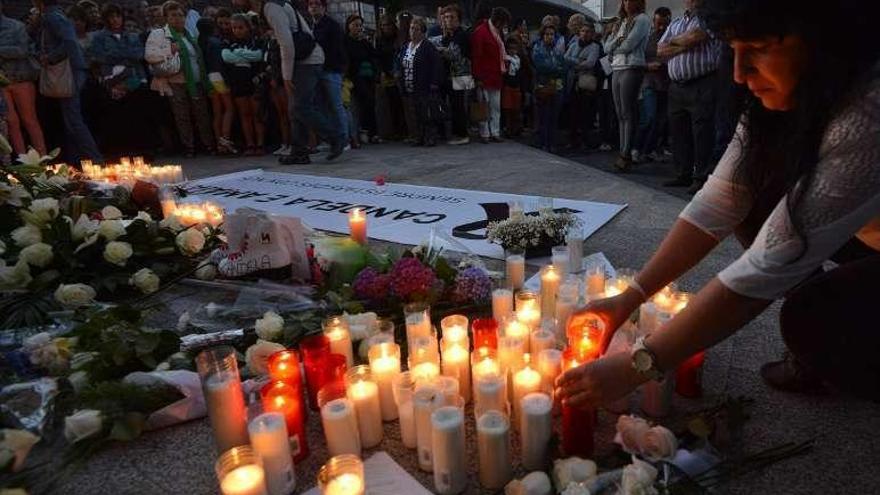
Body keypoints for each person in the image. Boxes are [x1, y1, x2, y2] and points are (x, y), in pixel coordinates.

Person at [556, 0, 880, 411]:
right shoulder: (786, 94)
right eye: (733, 49)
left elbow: (768, 266)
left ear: (827, 42)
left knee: (810, 320)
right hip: (859, 225)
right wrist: (629, 298)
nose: (740, 73)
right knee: (755, 203)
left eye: (760, 48)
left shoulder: (868, 108)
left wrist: (638, 365)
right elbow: (719, 202)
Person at [260, 0, 343, 165]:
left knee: (300, 106)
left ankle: (334, 137)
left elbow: (286, 44)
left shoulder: (272, 7)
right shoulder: (281, 4)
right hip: (307, 59)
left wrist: (286, 75)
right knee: (295, 108)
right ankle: (299, 151)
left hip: (307, 61)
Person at [658, 0, 722, 194]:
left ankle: (701, 177)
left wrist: (678, 42)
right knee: (679, 132)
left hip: (702, 82)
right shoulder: (676, 22)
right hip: (677, 86)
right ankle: (682, 173)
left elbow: (696, 36)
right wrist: (684, 43)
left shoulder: (709, 18)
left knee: (702, 132)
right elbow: (660, 50)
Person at [33, 0, 103, 163]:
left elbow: (69, 42)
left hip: (69, 71)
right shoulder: (55, 16)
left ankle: (94, 159)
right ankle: (80, 159)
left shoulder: (52, 17)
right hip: (72, 70)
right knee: (71, 119)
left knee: (73, 120)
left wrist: (50, 58)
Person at [145, 0, 214, 158]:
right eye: (173, 15)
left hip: (196, 81)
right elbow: (150, 55)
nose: (178, 18)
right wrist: (169, 50)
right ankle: (189, 147)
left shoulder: (189, 33)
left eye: (181, 15)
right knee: (182, 116)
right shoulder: (159, 34)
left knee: (202, 114)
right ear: (166, 18)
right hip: (176, 81)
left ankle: (207, 144)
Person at [89, 3, 156, 157]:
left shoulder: (132, 36)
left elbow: (139, 54)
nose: (115, 20)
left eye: (117, 16)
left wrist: (118, 56)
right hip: (113, 81)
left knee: (138, 117)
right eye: (111, 17)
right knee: (117, 118)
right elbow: (99, 57)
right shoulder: (99, 37)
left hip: (135, 80)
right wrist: (125, 57)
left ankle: (141, 151)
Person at [604, 0, 650, 172]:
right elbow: (606, 46)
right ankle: (623, 152)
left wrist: (616, 45)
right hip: (617, 67)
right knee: (620, 113)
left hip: (632, 66)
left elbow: (630, 45)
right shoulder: (620, 22)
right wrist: (617, 44)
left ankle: (626, 154)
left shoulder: (642, 19)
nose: (627, 3)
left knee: (628, 112)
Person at [0, 2, 46, 155]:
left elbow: (23, 50)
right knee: (11, 123)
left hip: (20, 78)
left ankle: (42, 162)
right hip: (2, 81)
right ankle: (22, 163)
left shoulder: (16, 26)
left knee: (29, 120)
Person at [222, 13, 265, 156]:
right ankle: (250, 144)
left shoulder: (256, 41)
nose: (237, 30)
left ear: (247, 27)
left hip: (253, 81)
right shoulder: (228, 41)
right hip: (237, 83)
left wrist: (238, 55)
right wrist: (245, 55)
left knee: (257, 114)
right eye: (234, 28)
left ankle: (260, 144)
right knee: (244, 114)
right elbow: (227, 57)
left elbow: (258, 55)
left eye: (240, 27)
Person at [308, 0, 347, 153]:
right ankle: (331, 139)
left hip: (330, 69)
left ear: (324, 7)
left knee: (336, 106)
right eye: (311, 4)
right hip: (316, 70)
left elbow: (336, 49)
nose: (314, 7)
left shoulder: (331, 25)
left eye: (317, 4)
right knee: (322, 106)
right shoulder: (310, 25)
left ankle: (343, 138)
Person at [633, 6, 671, 163]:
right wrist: (648, 66)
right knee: (649, 117)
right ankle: (635, 148)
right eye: (658, 23)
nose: (661, 27)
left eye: (664, 24)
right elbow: (635, 61)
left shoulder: (672, 38)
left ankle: (649, 150)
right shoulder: (647, 38)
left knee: (660, 121)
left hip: (667, 84)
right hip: (649, 83)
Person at [398, 17, 442, 147]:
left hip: (424, 85)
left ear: (423, 32)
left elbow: (436, 65)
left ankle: (430, 137)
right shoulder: (406, 47)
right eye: (412, 29)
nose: (413, 32)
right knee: (414, 113)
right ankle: (418, 136)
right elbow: (399, 62)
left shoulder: (427, 47)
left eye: (417, 30)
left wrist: (434, 82)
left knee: (426, 112)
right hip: (409, 85)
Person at [196, 17, 236, 155]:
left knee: (217, 111)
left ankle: (218, 143)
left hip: (208, 77)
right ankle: (225, 139)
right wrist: (226, 80)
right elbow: (219, 62)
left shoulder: (199, 42)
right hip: (218, 76)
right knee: (229, 108)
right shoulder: (215, 42)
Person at [471, 7, 510, 144]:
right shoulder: (480, 32)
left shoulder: (496, 32)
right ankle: (484, 133)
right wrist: (478, 77)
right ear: (498, 21)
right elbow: (476, 57)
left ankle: (495, 131)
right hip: (484, 76)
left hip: (496, 75)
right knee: (484, 106)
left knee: (495, 106)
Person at [437, 4, 470, 146]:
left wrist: (439, 49)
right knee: (445, 103)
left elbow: (453, 53)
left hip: (461, 75)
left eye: (451, 17)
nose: (448, 20)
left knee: (458, 105)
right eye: (445, 17)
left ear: (458, 19)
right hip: (448, 75)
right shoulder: (447, 35)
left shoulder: (461, 34)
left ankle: (462, 134)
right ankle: (446, 132)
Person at [344, 14, 380, 145]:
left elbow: (374, 55)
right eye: (355, 25)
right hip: (355, 76)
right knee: (363, 102)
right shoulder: (346, 42)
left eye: (360, 25)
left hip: (368, 76)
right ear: (348, 26)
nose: (358, 28)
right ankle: (362, 131)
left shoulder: (364, 42)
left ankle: (373, 132)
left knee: (370, 102)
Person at [564, 22, 600, 150]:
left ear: (592, 34)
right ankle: (572, 140)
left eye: (588, 31)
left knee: (585, 113)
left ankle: (584, 141)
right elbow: (565, 58)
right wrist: (579, 61)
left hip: (585, 83)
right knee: (573, 113)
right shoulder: (573, 44)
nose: (585, 34)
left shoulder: (595, 47)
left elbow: (590, 63)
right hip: (572, 82)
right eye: (583, 31)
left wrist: (574, 62)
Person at [532, 24, 565, 152]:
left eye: (552, 34)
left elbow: (563, 65)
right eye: (547, 34)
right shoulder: (538, 48)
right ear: (542, 35)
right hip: (543, 85)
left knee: (554, 117)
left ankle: (552, 143)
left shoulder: (557, 49)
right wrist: (555, 69)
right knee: (544, 116)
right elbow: (541, 66)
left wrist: (556, 69)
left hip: (557, 86)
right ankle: (544, 143)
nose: (550, 37)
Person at [375, 13, 405, 140]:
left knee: (401, 103)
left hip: (399, 73)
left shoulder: (399, 38)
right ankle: (396, 131)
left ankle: (404, 130)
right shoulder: (379, 39)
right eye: (382, 25)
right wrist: (382, 71)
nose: (385, 27)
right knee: (392, 104)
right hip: (387, 74)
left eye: (387, 25)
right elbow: (377, 57)